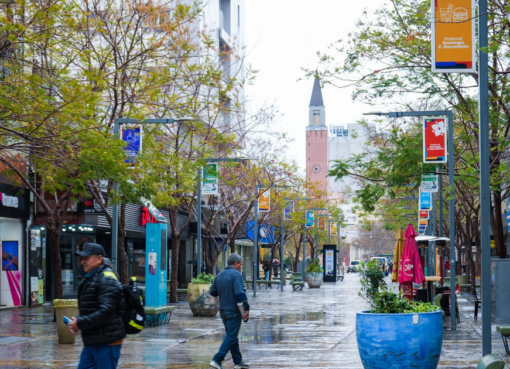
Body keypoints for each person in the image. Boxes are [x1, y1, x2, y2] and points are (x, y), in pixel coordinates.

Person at [68, 243, 126, 369]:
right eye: (81, 259)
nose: (82, 262)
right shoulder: (92, 277)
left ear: (99, 258)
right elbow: (91, 307)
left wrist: (80, 323)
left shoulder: (106, 279)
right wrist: (78, 320)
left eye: (86, 258)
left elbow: (106, 312)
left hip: (107, 341)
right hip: (94, 340)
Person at [209, 253, 250, 369]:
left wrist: (224, 290)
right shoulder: (237, 275)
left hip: (223, 310)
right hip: (234, 310)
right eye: (240, 264)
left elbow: (213, 292)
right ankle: (217, 359)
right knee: (231, 336)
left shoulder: (220, 275)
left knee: (232, 336)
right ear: (236, 263)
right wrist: (246, 308)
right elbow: (240, 294)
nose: (240, 267)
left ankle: (238, 361)